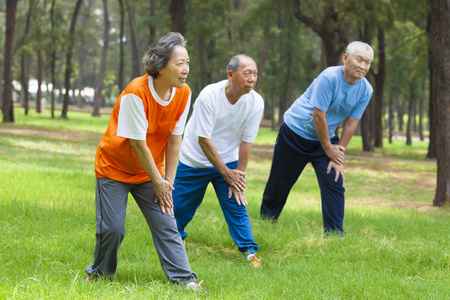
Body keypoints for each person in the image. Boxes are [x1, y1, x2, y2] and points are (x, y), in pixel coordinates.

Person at [85, 32, 203, 291]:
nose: (185, 70)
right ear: (160, 66)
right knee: (113, 229)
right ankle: (100, 273)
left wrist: (167, 183)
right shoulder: (135, 93)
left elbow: (175, 140)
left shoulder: (184, 94)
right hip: (114, 168)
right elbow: (138, 144)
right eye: (179, 63)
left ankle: (185, 280)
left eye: (188, 63)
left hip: (150, 173)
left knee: (166, 222)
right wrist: (158, 180)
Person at [260, 41, 374, 235]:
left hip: (325, 139)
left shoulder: (366, 90)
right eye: (359, 59)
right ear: (345, 58)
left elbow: (350, 124)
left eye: (368, 62)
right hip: (295, 133)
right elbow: (318, 115)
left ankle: (335, 234)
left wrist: (338, 155)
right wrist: (329, 148)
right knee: (279, 182)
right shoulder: (329, 77)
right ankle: (266, 223)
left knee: (334, 180)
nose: (363, 66)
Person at [173, 54, 264, 267]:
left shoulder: (256, 102)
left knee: (237, 204)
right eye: (247, 73)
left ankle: (250, 251)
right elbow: (204, 140)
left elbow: (247, 143)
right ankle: (176, 239)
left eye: (255, 73)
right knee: (179, 209)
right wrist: (227, 174)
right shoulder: (209, 96)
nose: (252, 78)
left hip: (229, 160)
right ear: (230, 75)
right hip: (195, 159)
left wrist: (238, 177)